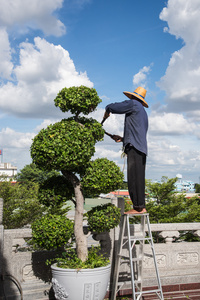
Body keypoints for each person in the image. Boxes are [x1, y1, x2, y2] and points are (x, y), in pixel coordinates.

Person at [102, 86, 148, 214]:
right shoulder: (142, 111)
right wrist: (122, 139)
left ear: (133, 97)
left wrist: (107, 110)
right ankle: (140, 206)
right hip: (139, 147)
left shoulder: (134, 104)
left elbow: (112, 106)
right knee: (138, 177)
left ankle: (138, 207)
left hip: (135, 147)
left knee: (134, 178)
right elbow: (137, 132)